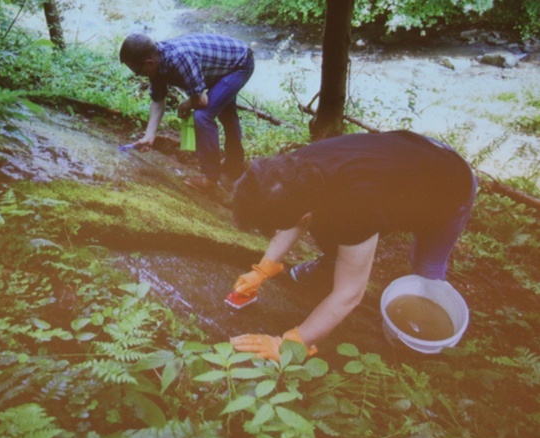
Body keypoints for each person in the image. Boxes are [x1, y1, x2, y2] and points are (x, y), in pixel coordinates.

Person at [228, 130, 477, 360]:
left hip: (449, 186)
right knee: (331, 228)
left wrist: (292, 342)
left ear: (303, 215)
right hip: (408, 162)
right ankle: (332, 265)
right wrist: (264, 267)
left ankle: (421, 345)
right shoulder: (287, 172)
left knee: (426, 271)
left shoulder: (355, 205)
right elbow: (293, 218)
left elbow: (350, 294)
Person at [119, 33, 254, 191]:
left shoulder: (180, 59)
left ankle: (210, 179)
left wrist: (186, 104)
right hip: (222, 65)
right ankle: (234, 165)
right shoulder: (156, 64)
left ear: (149, 63)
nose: (139, 75)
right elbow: (158, 100)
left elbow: (201, 101)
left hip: (239, 64)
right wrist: (149, 135)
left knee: (203, 116)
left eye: (137, 71)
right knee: (226, 112)